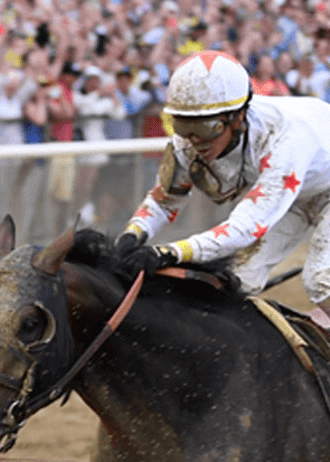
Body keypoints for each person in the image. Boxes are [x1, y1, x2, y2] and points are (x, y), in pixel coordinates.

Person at [118, 51, 330, 330]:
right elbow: (164, 201)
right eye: (183, 125)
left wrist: (169, 252)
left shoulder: (283, 140)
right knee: (241, 277)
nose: (194, 140)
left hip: (309, 181)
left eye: (206, 127)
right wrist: (131, 235)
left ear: (238, 116)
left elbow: (244, 228)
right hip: (303, 190)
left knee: (320, 279)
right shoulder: (188, 142)